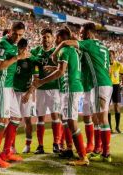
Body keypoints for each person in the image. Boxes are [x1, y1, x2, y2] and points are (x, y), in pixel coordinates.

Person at [26, 28, 89, 166]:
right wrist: (53, 68)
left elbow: (61, 72)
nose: (55, 40)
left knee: (71, 121)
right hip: (71, 88)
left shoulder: (64, 50)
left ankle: (82, 156)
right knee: (66, 119)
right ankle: (70, 149)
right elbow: (65, 69)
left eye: (57, 37)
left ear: (61, 38)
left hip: (70, 89)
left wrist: (41, 81)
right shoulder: (73, 51)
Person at [52, 23, 113, 162]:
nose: (80, 35)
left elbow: (69, 42)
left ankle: (106, 153)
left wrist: (56, 50)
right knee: (98, 118)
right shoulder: (102, 46)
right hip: (105, 83)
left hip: (98, 83)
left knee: (102, 118)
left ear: (89, 33)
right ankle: (98, 148)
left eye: (82, 32)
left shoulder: (89, 43)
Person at [0, 22, 30, 168]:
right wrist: (17, 58)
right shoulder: (4, 44)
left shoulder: (10, 44)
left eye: (21, 35)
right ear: (10, 31)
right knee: (2, 121)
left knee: (16, 118)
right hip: (1, 86)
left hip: (8, 87)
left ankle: (6, 153)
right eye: (16, 34)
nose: (18, 37)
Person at [23, 28, 62, 154]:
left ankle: (56, 143)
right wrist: (35, 74)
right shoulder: (36, 51)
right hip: (40, 89)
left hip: (54, 88)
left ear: (52, 38)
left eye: (48, 37)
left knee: (55, 116)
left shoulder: (57, 51)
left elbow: (62, 68)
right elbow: (31, 61)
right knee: (40, 118)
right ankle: (40, 146)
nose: (45, 39)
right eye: (43, 37)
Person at [108, 49, 123, 133]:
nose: (109, 56)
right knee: (107, 108)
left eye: (111, 55)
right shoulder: (105, 65)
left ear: (114, 55)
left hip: (116, 86)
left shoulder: (119, 65)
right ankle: (109, 128)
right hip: (107, 86)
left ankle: (117, 127)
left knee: (117, 106)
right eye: (108, 55)